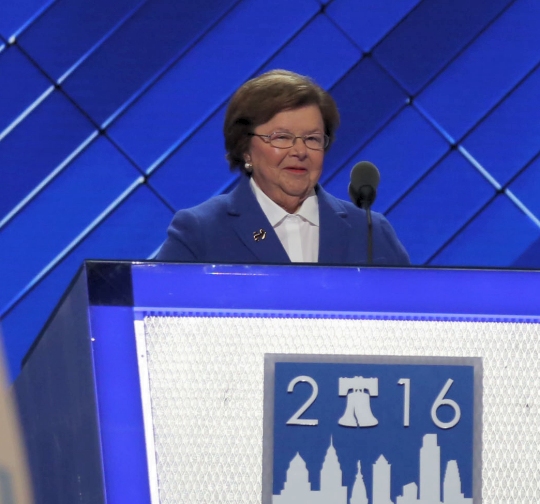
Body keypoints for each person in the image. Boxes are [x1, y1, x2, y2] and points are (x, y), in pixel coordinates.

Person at [156, 70, 409, 265]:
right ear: (246, 148)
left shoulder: (370, 231)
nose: (299, 151)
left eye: (312, 139)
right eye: (281, 137)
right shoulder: (202, 231)